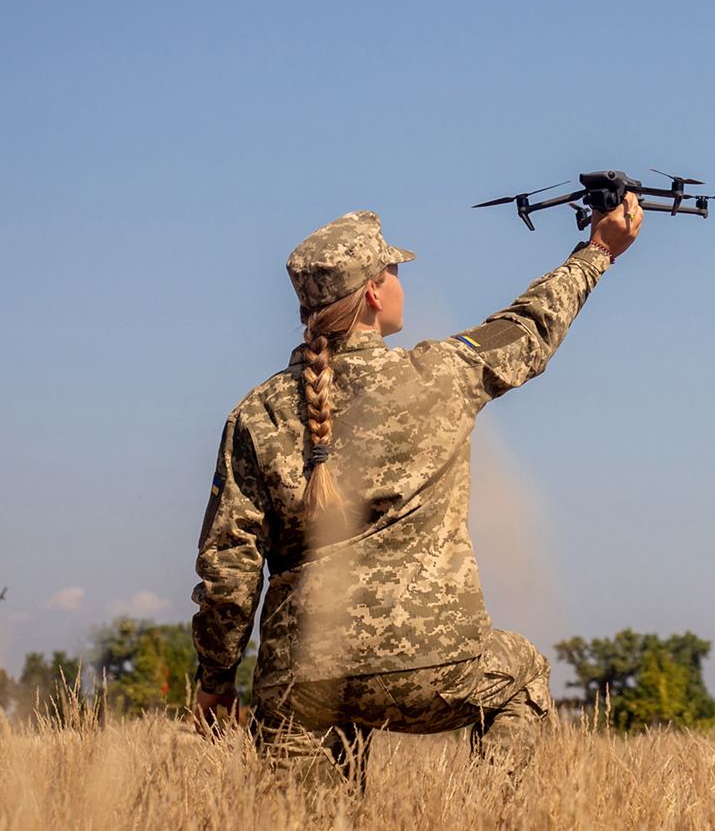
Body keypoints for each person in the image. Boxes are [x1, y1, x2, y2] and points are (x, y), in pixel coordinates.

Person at [190, 195, 644, 788]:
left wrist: (217, 680)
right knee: (522, 673)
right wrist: (598, 251)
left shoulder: (256, 414)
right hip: (436, 667)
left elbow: (229, 568)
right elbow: (528, 327)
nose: (403, 282)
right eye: (395, 271)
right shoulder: (439, 376)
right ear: (375, 293)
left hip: (300, 680)